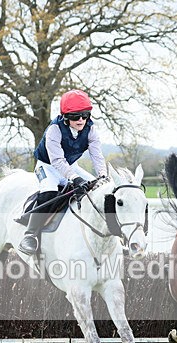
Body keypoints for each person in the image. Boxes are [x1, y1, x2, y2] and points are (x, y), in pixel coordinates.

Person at [19, 89, 108, 255]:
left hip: (71, 166)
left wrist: (103, 175)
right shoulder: (54, 130)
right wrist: (75, 178)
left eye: (85, 115)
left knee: (99, 190)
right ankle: (30, 235)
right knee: (49, 192)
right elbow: (57, 161)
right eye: (75, 116)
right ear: (65, 117)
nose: (81, 120)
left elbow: (97, 156)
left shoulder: (91, 130)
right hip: (47, 167)